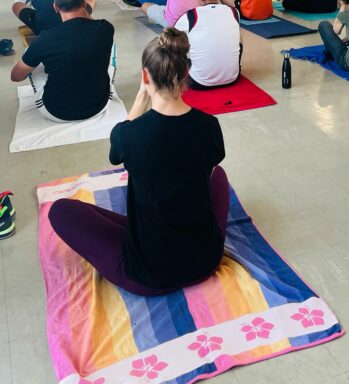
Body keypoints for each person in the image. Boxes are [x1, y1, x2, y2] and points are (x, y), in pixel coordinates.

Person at [47, 28, 228, 296]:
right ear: (186, 72)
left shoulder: (130, 135)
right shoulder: (210, 126)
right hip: (206, 260)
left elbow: (115, 154)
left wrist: (141, 97)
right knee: (218, 176)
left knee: (60, 211)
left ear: (145, 76)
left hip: (150, 274)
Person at [10, 0, 114, 122]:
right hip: (100, 105)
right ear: (84, 3)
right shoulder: (106, 28)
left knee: (32, 54)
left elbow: (16, 76)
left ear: (56, 7)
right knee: (107, 49)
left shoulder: (45, 39)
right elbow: (89, 28)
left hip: (56, 112)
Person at [176, 0, 242, 89]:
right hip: (232, 79)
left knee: (177, 44)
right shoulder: (234, 12)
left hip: (199, 82)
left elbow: (172, 38)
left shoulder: (190, 16)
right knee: (239, 39)